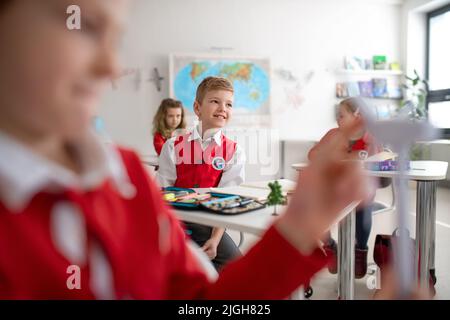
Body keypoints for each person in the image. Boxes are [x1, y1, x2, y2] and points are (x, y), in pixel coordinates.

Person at [0, 0, 368, 299]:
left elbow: (200, 303)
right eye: (83, 28)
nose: (112, 67)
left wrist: (297, 231)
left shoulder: (124, 175)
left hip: (209, 228)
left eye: (116, 40)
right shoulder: (170, 149)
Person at [157, 76, 244, 271]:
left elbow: (227, 200)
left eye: (229, 104)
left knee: (237, 268)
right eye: (215, 101)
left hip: (210, 225)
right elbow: (160, 193)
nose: (223, 108)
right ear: (197, 108)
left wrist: (214, 239)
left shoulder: (234, 152)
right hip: (175, 222)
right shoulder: (173, 146)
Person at [308, 97, 381, 279]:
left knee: (362, 208)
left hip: (360, 192)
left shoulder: (371, 137)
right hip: (334, 192)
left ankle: (360, 250)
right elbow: (313, 154)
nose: (337, 120)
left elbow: (381, 162)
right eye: (337, 116)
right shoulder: (333, 135)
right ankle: (330, 245)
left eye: (341, 116)